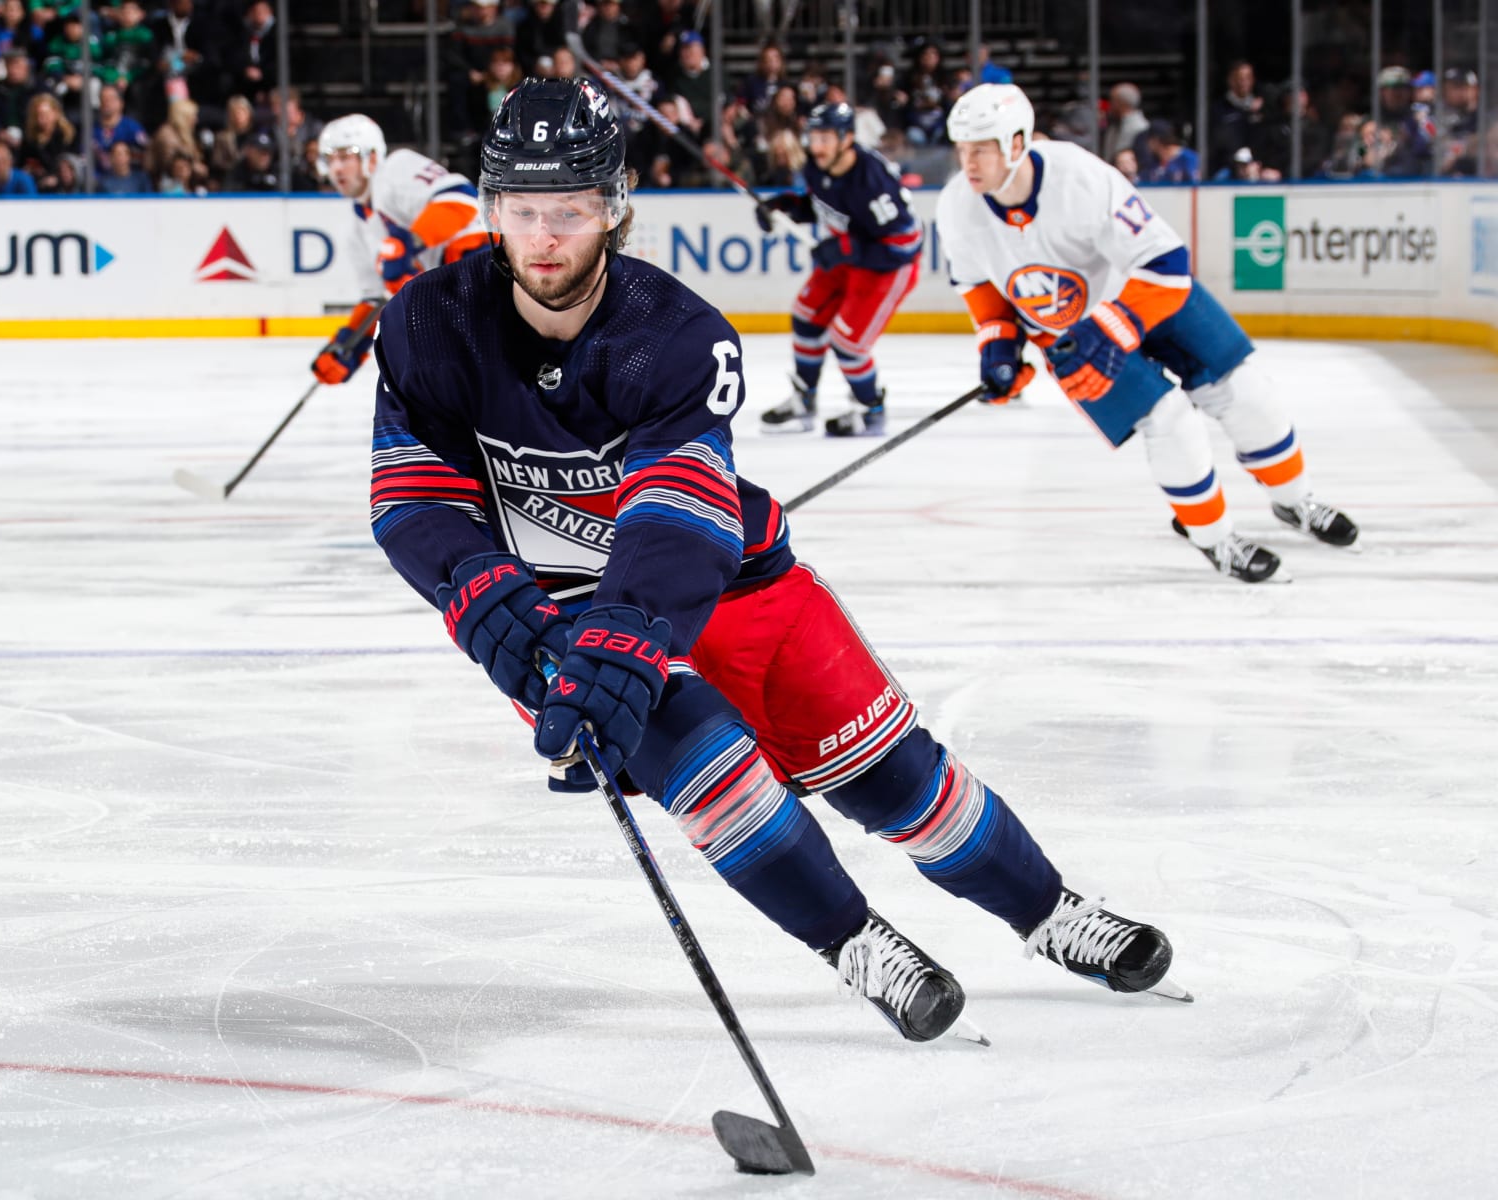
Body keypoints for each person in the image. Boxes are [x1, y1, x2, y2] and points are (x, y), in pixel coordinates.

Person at [368, 77, 1183, 1045]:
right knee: (713, 778)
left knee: (894, 780)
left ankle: (1049, 915)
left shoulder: (672, 334)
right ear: (493, 206)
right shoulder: (428, 322)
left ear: (614, 206)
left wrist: (630, 627)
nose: (545, 237)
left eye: (572, 211)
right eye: (524, 210)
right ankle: (855, 943)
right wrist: (480, 593)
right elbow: (412, 489)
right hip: (561, 615)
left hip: (723, 587)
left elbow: (681, 509)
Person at [936, 83, 1359, 582]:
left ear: (1016, 142)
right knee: (1170, 421)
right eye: (962, 149)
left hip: (1147, 297)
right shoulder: (956, 208)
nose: (969, 162)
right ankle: (1215, 539)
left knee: (1247, 394)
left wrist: (1112, 325)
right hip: (1071, 338)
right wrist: (999, 349)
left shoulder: (1080, 177)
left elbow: (1167, 265)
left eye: (981, 148)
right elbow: (981, 291)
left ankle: (1295, 502)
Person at [754, 100, 922, 437]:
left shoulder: (873, 179)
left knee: (848, 343)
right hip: (852, 255)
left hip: (888, 266)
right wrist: (785, 205)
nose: (817, 147)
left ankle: (871, 409)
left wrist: (844, 247)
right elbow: (823, 206)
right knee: (806, 314)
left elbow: (902, 243)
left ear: (846, 139)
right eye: (813, 138)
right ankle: (805, 400)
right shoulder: (820, 166)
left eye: (826, 138)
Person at [309, 113, 488, 388]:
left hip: (484, 265)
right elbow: (374, 301)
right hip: (451, 298)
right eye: (330, 160)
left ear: (370, 157)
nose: (336, 169)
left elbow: (460, 198)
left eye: (345, 157)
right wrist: (347, 347)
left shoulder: (395, 168)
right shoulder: (357, 230)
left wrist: (409, 242)